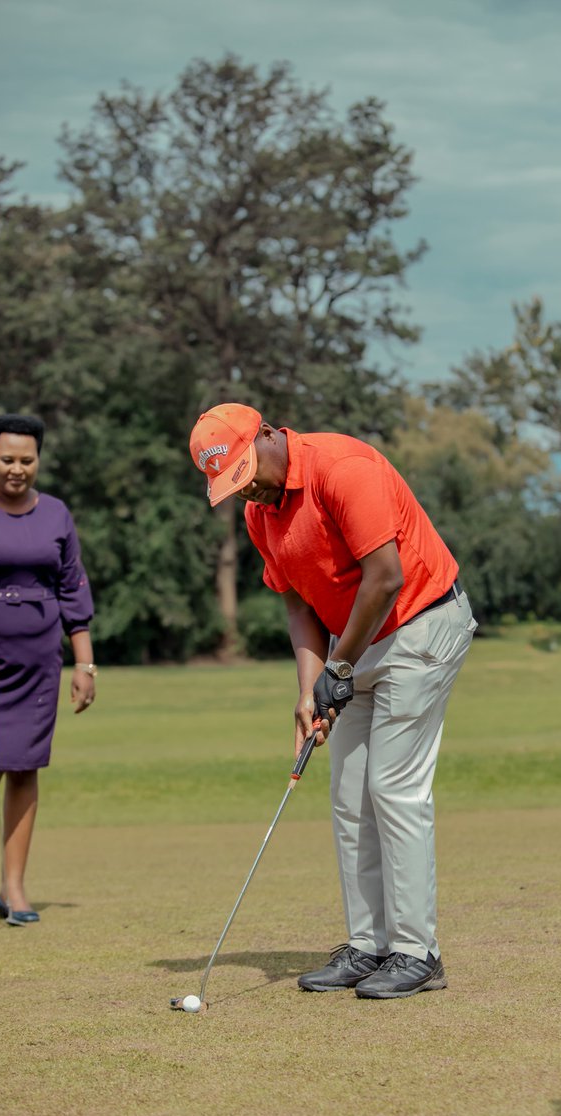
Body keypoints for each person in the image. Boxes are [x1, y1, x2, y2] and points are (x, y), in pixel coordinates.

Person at [190, 403, 477, 999]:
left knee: (392, 788)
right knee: (349, 795)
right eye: (236, 486)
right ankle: (368, 945)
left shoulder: (342, 467)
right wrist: (309, 688)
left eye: (249, 473)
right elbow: (298, 603)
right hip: (357, 640)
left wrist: (340, 666)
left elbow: (386, 576)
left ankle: (417, 953)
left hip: (422, 623)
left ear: (268, 435)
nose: (251, 492)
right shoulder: (260, 515)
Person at [0, 414, 96, 928]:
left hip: (40, 663)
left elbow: (73, 591)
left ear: (38, 460)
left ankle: (13, 888)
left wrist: (84, 663)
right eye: (7, 459)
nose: (16, 468)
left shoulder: (57, 513)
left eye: (27, 459)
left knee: (23, 769)